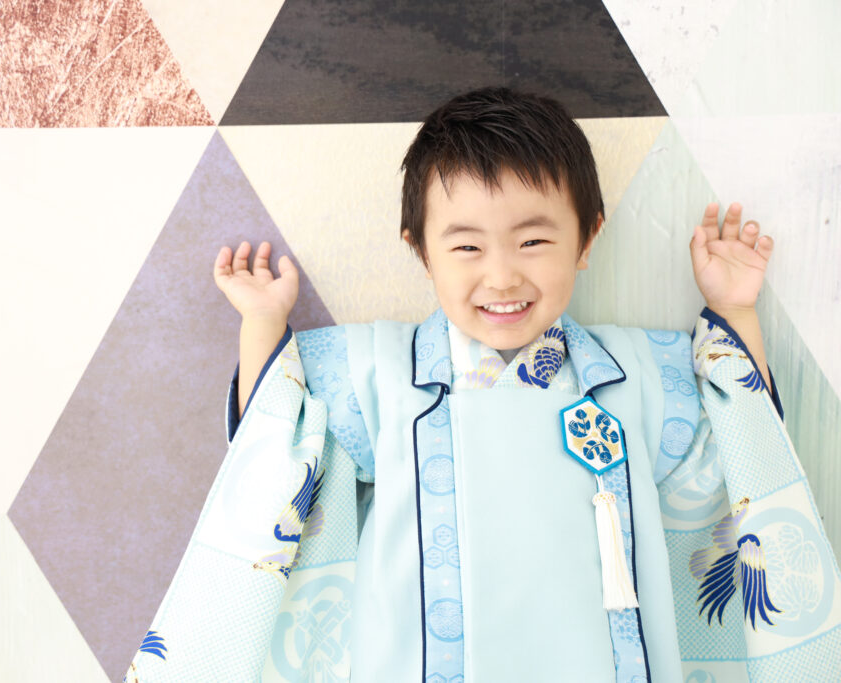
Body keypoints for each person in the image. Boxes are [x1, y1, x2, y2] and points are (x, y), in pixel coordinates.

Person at [124, 87, 841, 682]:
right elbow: (280, 435)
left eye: (534, 241)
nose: (501, 275)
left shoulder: (636, 375)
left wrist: (734, 310)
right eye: (466, 245)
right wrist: (262, 323)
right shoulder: (380, 373)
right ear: (420, 249)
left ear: (587, 238)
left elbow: (742, 434)